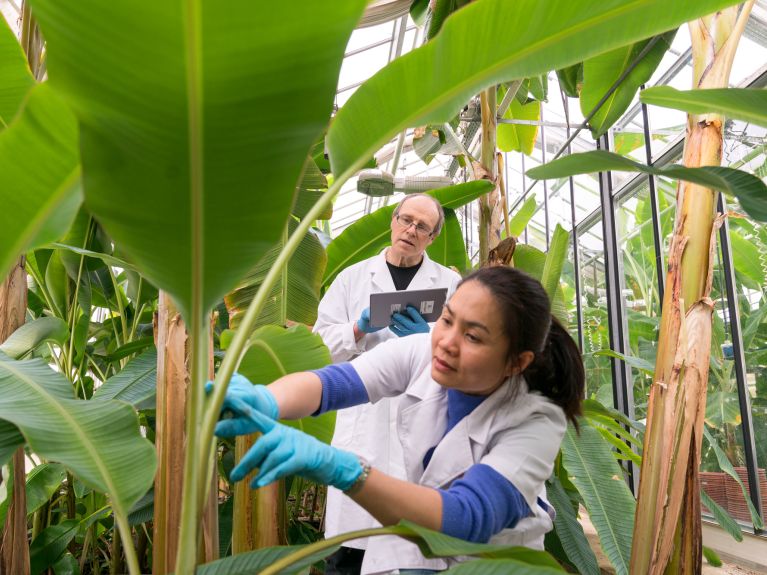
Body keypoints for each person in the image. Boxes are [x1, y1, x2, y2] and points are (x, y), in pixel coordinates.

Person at [213, 266, 585, 574]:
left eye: (472, 336)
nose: (446, 342)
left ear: (517, 362)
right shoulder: (421, 351)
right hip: (415, 547)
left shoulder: (537, 421)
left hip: (490, 560)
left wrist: (344, 470)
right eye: (446, 320)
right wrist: (267, 400)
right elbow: (335, 384)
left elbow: (467, 515)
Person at [313, 193, 461, 572]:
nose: (411, 230)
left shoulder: (450, 283)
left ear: (432, 237)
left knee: (414, 551)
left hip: (420, 418)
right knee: (350, 548)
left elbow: (465, 351)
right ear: (393, 221)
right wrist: (358, 329)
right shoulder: (353, 278)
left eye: (422, 227)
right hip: (362, 424)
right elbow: (318, 349)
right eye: (406, 220)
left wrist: (426, 338)